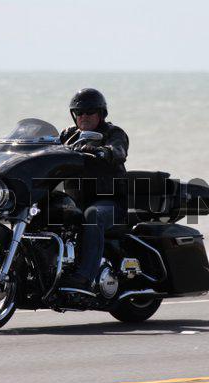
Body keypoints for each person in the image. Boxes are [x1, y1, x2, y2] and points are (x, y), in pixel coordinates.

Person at [59, 88, 129, 292]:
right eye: (79, 112)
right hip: (76, 203)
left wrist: (103, 151)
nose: (84, 116)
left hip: (111, 204)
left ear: (101, 113)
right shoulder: (68, 135)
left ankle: (84, 277)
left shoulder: (113, 133)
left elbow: (118, 149)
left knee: (93, 214)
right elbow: (46, 147)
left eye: (89, 111)